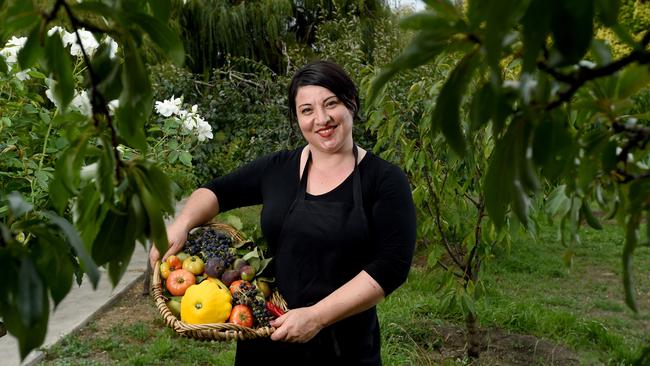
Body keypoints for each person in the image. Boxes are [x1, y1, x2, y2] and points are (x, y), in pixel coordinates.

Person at [150, 60, 416, 365]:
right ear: (297, 119)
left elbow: (391, 266)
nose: (322, 119)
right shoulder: (279, 169)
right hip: (268, 333)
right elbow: (214, 192)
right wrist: (182, 223)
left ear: (351, 103)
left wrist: (316, 316)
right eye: (307, 110)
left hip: (343, 344)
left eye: (331, 103)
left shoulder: (383, 180)